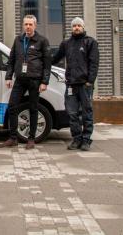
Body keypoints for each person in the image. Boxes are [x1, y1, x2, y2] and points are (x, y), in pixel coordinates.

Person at [0, 15, 51, 149]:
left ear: (35, 25)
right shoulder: (18, 40)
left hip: (35, 80)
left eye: (30, 24)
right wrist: (9, 77)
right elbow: (11, 60)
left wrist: (44, 82)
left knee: (33, 109)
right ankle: (13, 138)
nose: (28, 27)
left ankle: (31, 139)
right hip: (20, 79)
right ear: (23, 25)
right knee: (12, 107)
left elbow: (47, 64)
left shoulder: (42, 41)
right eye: (26, 24)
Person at [52, 17, 99, 151]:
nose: (76, 28)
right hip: (71, 85)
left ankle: (86, 140)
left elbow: (94, 64)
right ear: (71, 28)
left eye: (79, 25)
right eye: (74, 26)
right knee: (72, 113)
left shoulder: (90, 42)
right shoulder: (66, 44)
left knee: (86, 113)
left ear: (83, 27)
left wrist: (90, 81)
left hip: (85, 85)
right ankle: (76, 139)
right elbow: (55, 59)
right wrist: (42, 62)